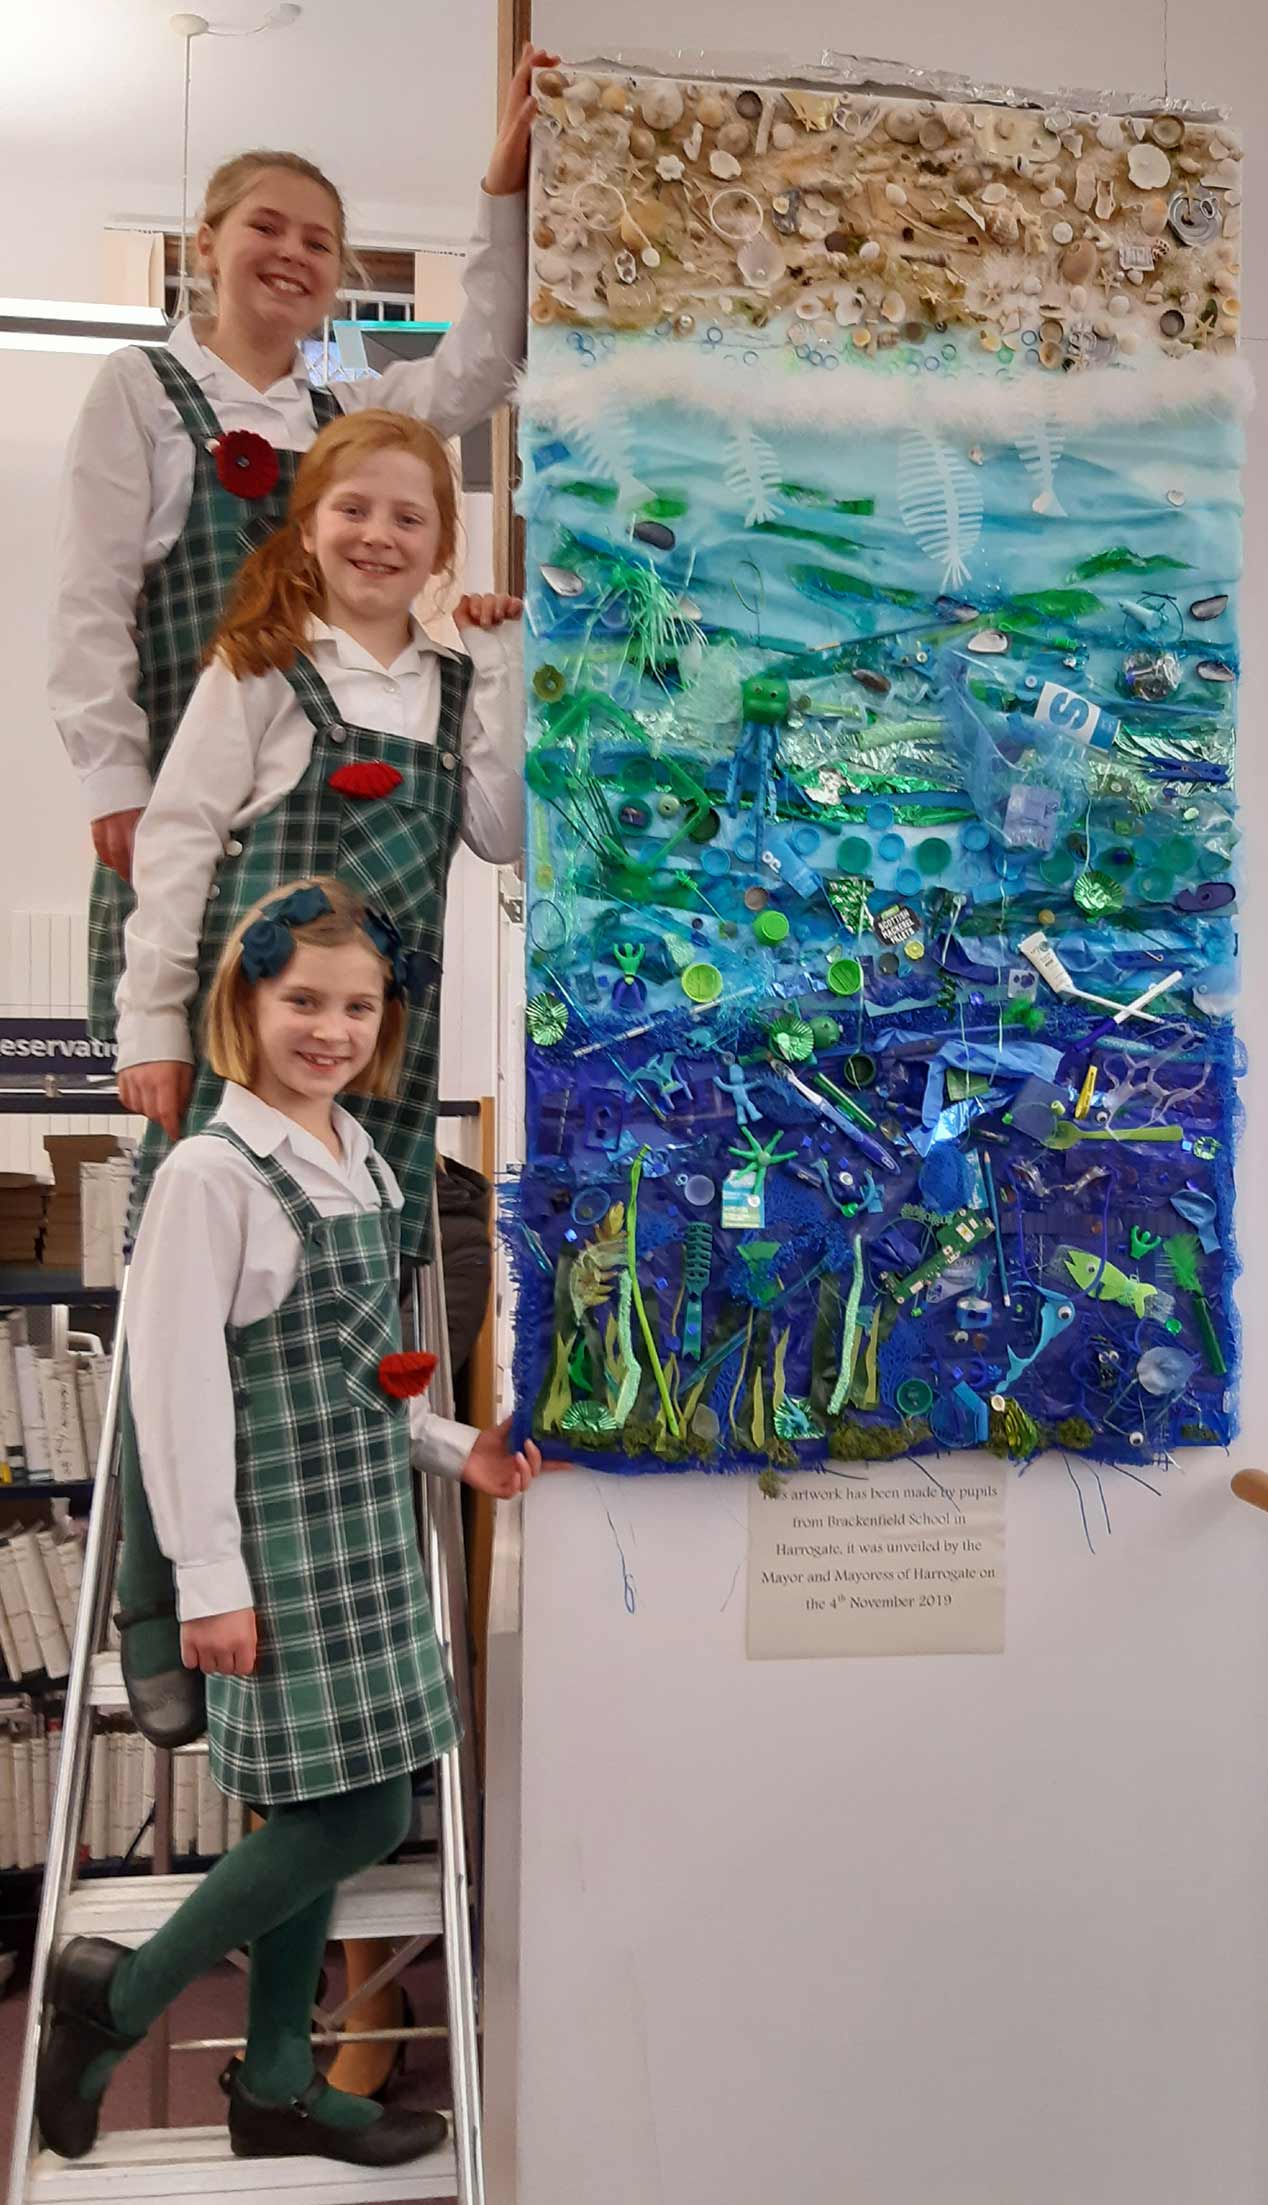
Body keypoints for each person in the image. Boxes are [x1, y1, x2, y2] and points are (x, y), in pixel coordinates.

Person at [37, 880, 565, 2169]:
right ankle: (118, 1994)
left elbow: (355, 1370)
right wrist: (210, 1582)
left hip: (367, 1531)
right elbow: (164, 1395)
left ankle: (275, 2079)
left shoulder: (356, 1152)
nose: (330, 1028)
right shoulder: (210, 1174)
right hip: (274, 1545)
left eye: (356, 1006)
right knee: (358, 1819)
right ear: (244, 1004)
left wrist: (458, 1450)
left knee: (328, 1805)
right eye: (302, 1002)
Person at [47, 39, 554, 1040]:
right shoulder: (140, 392)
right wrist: (115, 781)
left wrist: (501, 188)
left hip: (334, 801)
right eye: (264, 227)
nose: (291, 253)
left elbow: (480, 367)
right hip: (198, 783)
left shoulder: (348, 414)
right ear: (205, 245)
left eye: (317, 242)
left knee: (334, 1056)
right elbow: (90, 600)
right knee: (197, 1063)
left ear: (336, 276)